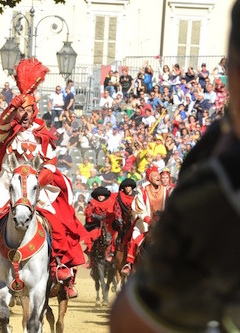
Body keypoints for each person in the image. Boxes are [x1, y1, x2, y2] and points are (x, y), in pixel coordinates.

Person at [110, 10, 235, 327]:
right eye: (152, 174)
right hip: (148, 221)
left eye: (155, 174)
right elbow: (140, 211)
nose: (154, 176)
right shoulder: (144, 191)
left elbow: (128, 323)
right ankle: (127, 264)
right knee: (137, 236)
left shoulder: (211, 184)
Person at [0, 58, 85, 299]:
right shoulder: (9, 129)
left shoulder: (42, 134)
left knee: (57, 223)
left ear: (34, 110)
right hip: (9, 184)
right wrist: (9, 108)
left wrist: (38, 180)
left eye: (27, 110)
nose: (23, 114)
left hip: (37, 185)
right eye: (20, 110)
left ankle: (59, 267)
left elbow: (51, 164)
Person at [120, 166, 169, 276]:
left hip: (162, 224)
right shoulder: (141, 191)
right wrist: (148, 220)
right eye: (155, 175)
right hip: (144, 223)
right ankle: (129, 264)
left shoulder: (166, 190)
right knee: (134, 238)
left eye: (158, 175)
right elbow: (139, 208)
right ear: (149, 178)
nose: (158, 177)